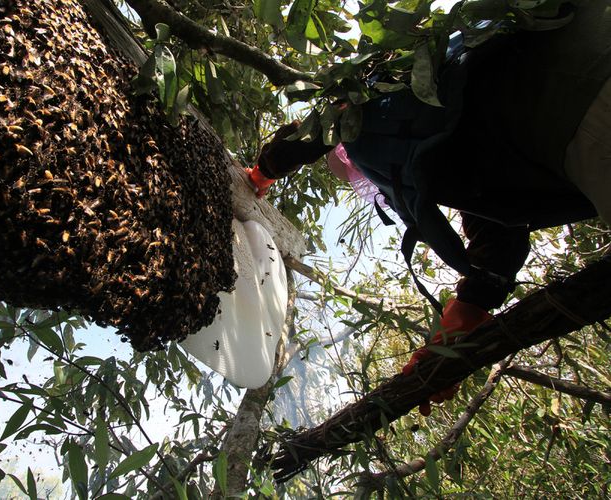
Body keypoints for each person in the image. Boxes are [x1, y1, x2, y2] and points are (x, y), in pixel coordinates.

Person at [247, 0, 611, 415]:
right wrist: (462, 322)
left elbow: (321, 128)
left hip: (581, 111)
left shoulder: (381, 98)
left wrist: (263, 171)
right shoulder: (455, 92)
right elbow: (494, 219)